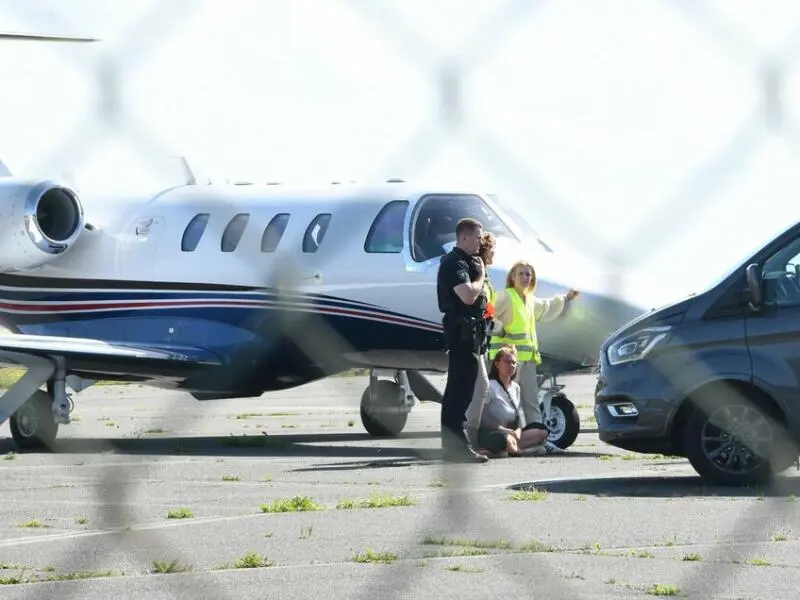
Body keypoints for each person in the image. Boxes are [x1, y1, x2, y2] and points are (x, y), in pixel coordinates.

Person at [489, 260, 579, 456]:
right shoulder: (505, 296)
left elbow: (546, 307)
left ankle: (541, 440)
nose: (525, 278)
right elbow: (487, 313)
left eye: (528, 274)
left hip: (527, 359)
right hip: (507, 362)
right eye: (521, 274)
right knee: (505, 403)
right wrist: (499, 328)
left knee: (530, 401)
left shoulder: (529, 300)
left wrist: (566, 299)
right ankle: (502, 441)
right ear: (512, 277)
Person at [436, 217, 491, 463]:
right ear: (464, 237)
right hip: (460, 331)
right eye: (477, 237)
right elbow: (468, 296)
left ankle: (454, 445)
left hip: (471, 332)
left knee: (465, 388)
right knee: (459, 390)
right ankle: (455, 446)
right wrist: (481, 276)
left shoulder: (469, 261)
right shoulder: (454, 263)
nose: (481, 242)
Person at [477, 345, 549, 457]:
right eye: (507, 362)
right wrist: (504, 430)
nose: (511, 365)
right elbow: (482, 418)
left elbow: (517, 417)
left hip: (511, 432)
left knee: (542, 431)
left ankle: (509, 449)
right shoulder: (490, 386)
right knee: (506, 440)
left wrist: (518, 432)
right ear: (496, 364)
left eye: (514, 363)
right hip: (493, 431)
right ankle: (523, 451)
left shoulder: (515, 388)